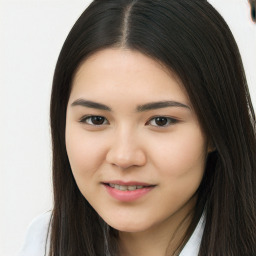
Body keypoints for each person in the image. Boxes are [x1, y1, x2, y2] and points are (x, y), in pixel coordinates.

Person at [18, 0, 256, 255]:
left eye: (160, 121)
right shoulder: (44, 242)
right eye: (96, 120)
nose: (123, 157)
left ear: (216, 128)